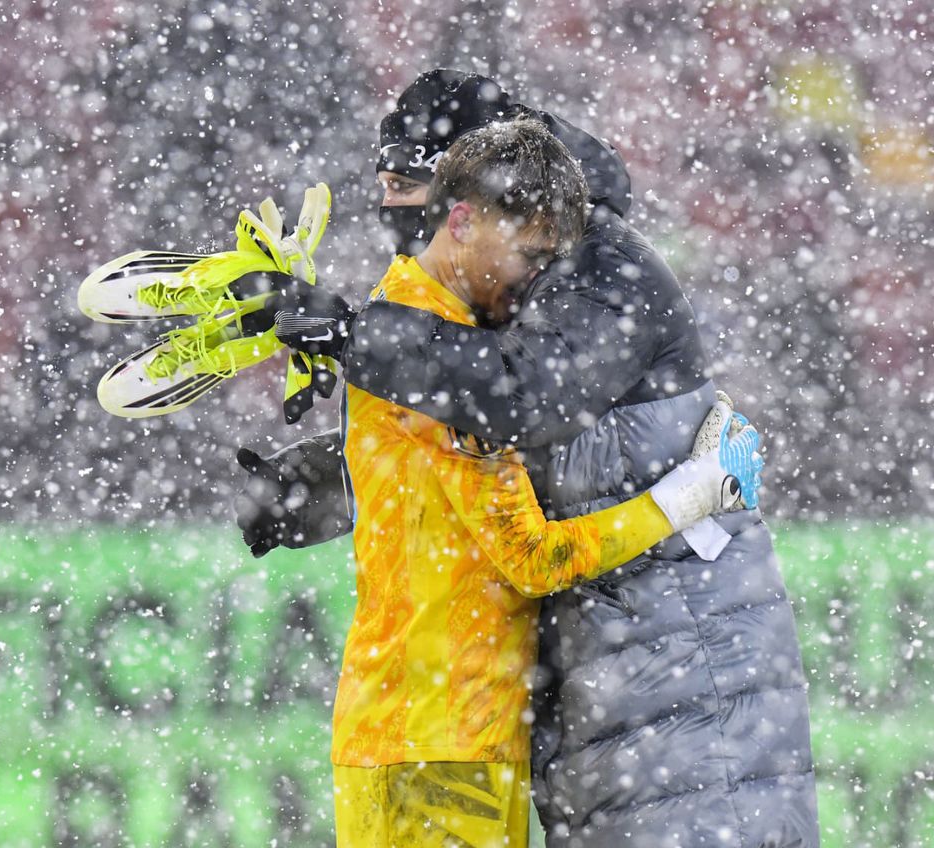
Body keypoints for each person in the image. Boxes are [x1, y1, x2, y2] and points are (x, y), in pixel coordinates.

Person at [241, 70, 820, 846]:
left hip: (684, 668)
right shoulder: (524, 267)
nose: (403, 217)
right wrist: (333, 477)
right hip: (597, 678)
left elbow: (523, 402)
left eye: (415, 186)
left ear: (482, 188)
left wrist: (355, 337)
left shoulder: (605, 268)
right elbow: (480, 456)